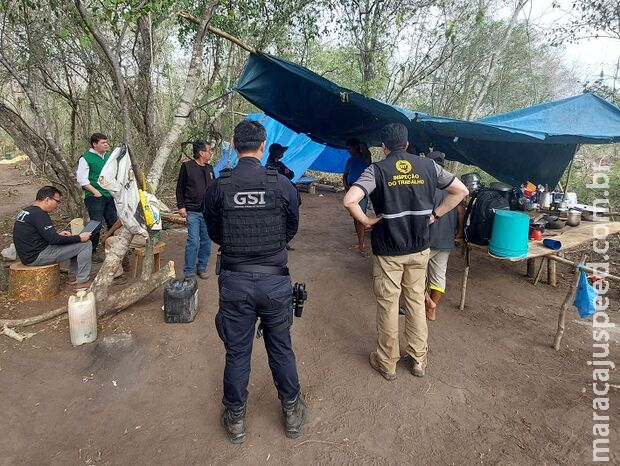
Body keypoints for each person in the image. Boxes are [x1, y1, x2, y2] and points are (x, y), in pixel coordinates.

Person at [204, 120, 305, 444]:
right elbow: (291, 226)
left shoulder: (221, 184)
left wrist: (236, 247)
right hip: (274, 282)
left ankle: (236, 420)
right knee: (281, 348)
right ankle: (291, 412)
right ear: (263, 147)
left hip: (235, 281)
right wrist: (272, 247)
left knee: (237, 352)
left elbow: (214, 229)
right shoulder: (282, 184)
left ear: (233, 145)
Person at [343, 123, 468, 380]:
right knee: (414, 303)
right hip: (420, 247)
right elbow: (461, 191)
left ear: (383, 147)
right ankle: (418, 359)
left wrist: (366, 222)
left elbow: (349, 200)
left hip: (388, 250)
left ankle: (387, 363)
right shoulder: (428, 167)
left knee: (389, 305)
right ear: (407, 144)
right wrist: (436, 214)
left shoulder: (376, 170)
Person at [13, 186, 93, 286]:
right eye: (57, 201)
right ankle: (82, 281)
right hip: (36, 256)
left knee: (75, 241)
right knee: (85, 244)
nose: (58, 205)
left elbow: (36, 234)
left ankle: (73, 276)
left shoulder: (28, 210)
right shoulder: (40, 214)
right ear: (47, 199)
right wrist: (80, 238)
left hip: (27, 255)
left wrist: (59, 235)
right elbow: (54, 240)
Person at [425, 151, 466, 321]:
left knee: (414, 274)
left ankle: (426, 302)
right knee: (439, 275)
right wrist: (459, 231)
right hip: (446, 239)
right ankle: (432, 310)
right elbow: (461, 211)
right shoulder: (453, 186)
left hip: (427, 239)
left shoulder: (427, 185)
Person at [76, 133, 118, 262]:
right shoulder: (86, 158)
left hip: (109, 194)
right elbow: (82, 179)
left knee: (113, 222)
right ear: (94, 144)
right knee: (96, 224)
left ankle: (116, 248)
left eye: (106, 142)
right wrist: (95, 192)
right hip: (95, 196)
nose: (106, 145)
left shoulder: (109, 156)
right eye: (103, 143)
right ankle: (90, 250)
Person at [176, 140, 215, 279]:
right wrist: (181, 206)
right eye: (209, 150)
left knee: (206, 240)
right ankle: (189, 271)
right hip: (192, 211)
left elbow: (213, 190)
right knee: (193, 241)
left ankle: (202, 267)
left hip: (207, 212)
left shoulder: (210, 169)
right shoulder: (187, 167)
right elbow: (180, 187)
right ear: (201, 152)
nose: (211, 153)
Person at [342, 138, 371, 255]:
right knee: (355, 217)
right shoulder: (350, 160)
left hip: (361, 190)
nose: (348, 150)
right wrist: (346, 187)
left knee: (359, 217)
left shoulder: (364, 158)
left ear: (355, 147)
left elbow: (367, 154)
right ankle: (360, 242)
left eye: (349, 148)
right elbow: (345, 176)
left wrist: (361, 143)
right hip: (351, 188)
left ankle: (361, 244)